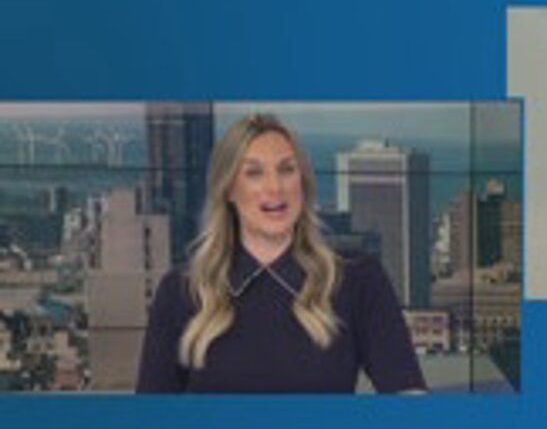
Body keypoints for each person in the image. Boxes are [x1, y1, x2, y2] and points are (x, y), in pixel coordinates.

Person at [136, 113, 427, 393]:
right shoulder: (180, 292)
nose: (275, 188)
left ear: (302, 182)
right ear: (228, 190)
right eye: (254, 173)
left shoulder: (357, 280)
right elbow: (148, 421)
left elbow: (409, 400)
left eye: (286, 170)